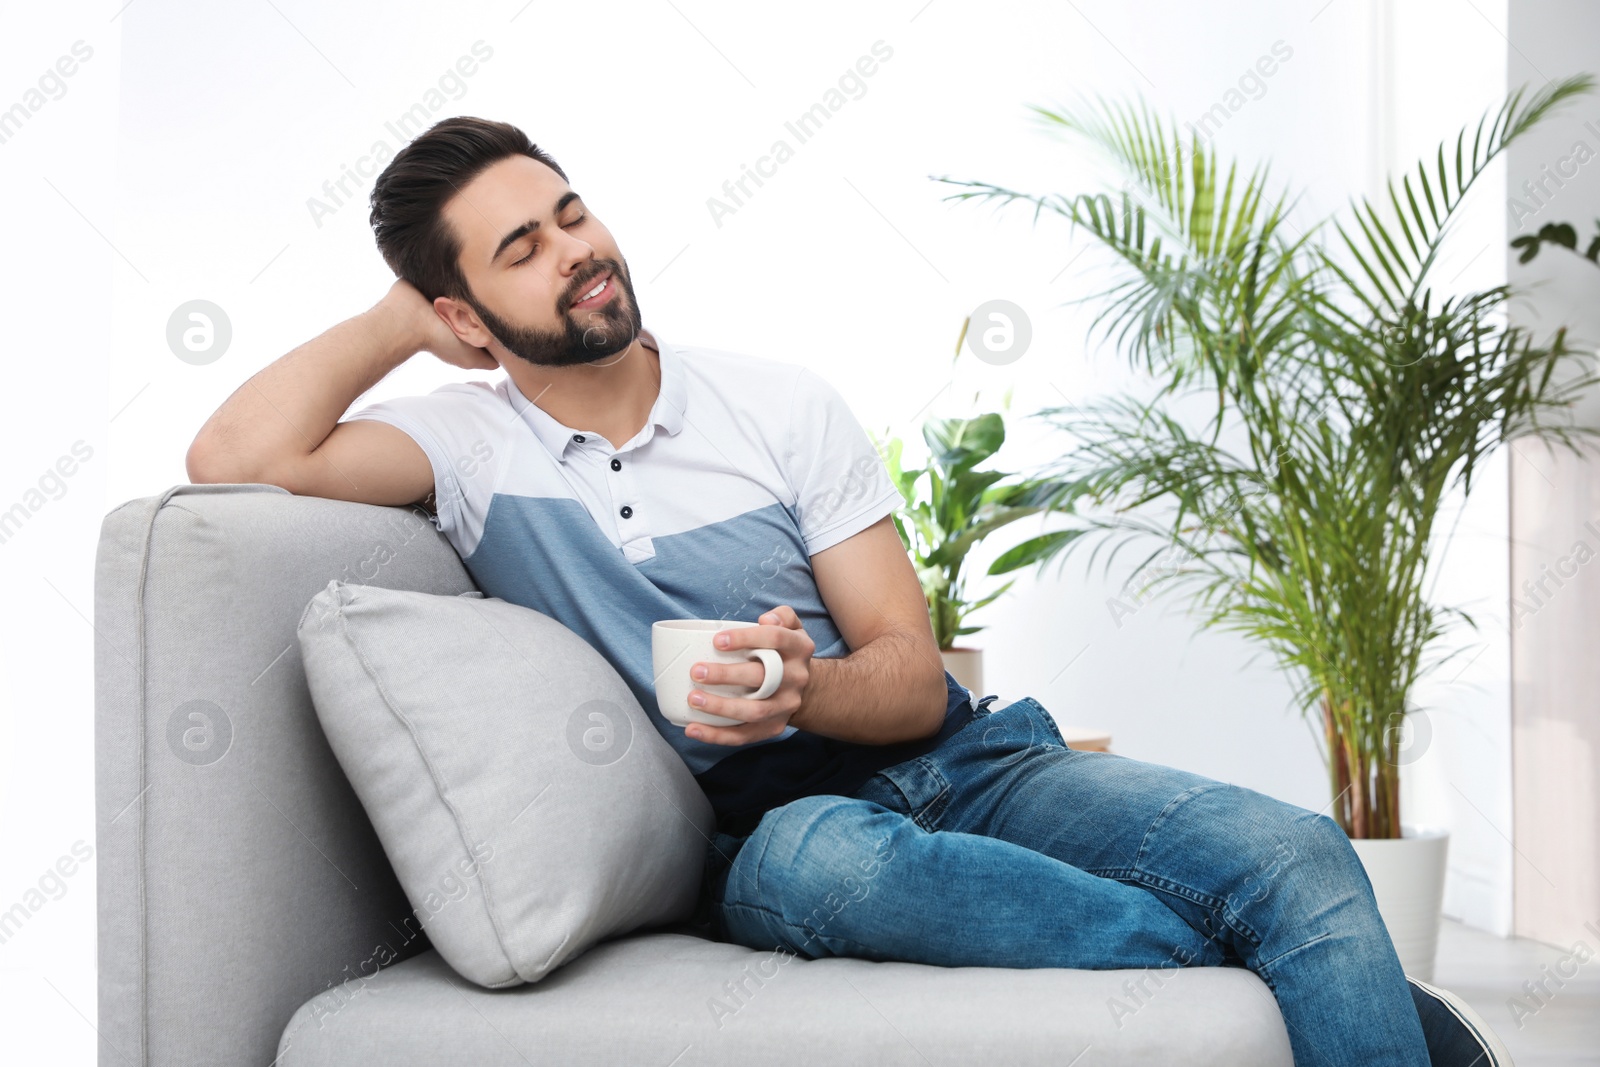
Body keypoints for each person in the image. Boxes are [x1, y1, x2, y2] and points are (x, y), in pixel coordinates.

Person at [186, 116, 1514, 1067]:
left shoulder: (777, 405)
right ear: (466, 313)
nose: (576, 253)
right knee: (821, 857)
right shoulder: (471, 449)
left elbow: (913, 671)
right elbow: (234, 460)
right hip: (760, 841)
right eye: (519, 250)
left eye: (573, 212)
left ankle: (1351, 996)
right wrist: (399, 320)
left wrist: (805, 685)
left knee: (1298, 852)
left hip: (969, 766)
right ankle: (1345, 1004)